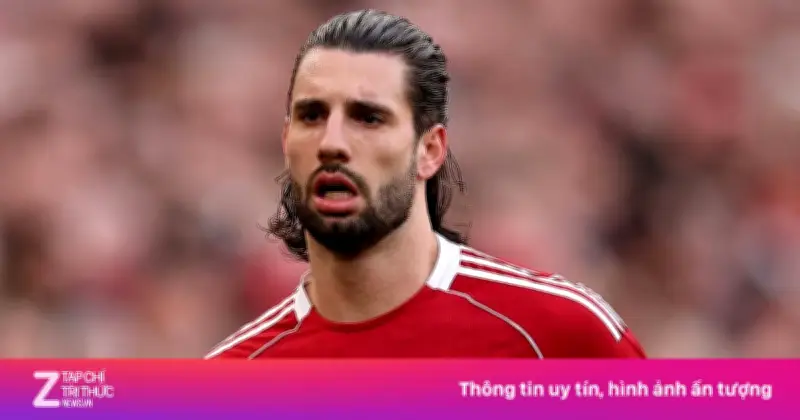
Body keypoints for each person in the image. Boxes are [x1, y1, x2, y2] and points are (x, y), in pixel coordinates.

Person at [205, 9, 646, 359]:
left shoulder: (559, 333)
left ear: (430, 150)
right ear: (286, 141)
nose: (332, 142)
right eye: (312, 116)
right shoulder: (233, 382)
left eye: (368, 118)